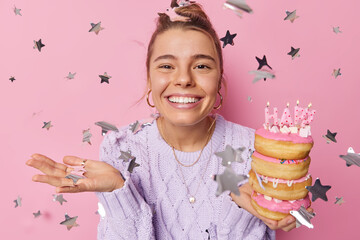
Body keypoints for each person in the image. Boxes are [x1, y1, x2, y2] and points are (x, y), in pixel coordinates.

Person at [26, 2, 313, 239]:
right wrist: (118, 192)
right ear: (149, 77)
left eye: (201, 66)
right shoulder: (121, 149)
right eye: (166, 66)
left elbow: (289, 212)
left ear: (219, 79)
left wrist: (272, 211)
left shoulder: (258, 149)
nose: (184, 79)